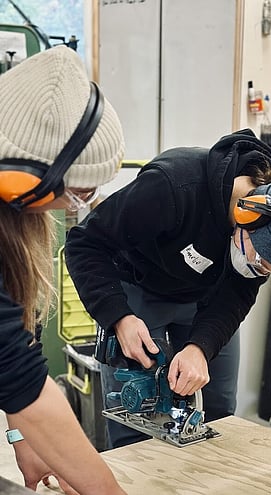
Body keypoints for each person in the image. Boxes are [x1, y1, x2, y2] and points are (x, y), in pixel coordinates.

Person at [64, 128, 271, 449]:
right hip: (137, 287)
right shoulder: (172, 186)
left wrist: (200, 348)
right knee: (137, 412)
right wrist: (118, 317)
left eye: (268, 271)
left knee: (218, 409)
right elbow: (84, 244)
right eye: (260, 261)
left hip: (205, 298)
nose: (259, 270)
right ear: (249, 215)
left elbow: (239, 292)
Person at [0, 46, 126, 494]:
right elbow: (19, 377)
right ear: (24, 181)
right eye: (79, 192)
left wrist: (23, 437)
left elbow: (15, 340)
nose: (76, 206)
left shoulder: (11, 213)